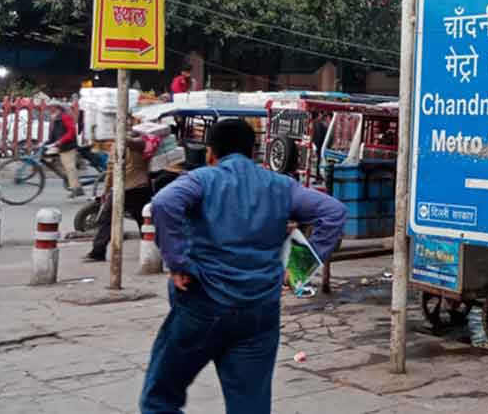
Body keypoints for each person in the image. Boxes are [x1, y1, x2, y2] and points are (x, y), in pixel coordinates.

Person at [140, 118, 347, 413]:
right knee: (249, 407)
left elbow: (163, 204)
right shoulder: (281, 186)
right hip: (258, 313)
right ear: (255, 152)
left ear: (211, 153)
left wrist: (178, 261)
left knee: (160, 399)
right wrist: (299, 270)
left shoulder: (201, 179)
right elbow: (334, 212)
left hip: (202, 304)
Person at [83, 132, 152, 263]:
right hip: (139, 186)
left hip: (125, 187)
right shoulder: (145, 143)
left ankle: (98, 251)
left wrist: (107, 190)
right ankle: (150, 250)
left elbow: (110, 171)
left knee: (107, 219)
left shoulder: (125, 144)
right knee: (143, 220)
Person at [46, 102, 82, 198]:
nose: (49, 110)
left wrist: (60, 141)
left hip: (68, 146)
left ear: (57, 109)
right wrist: (46, 143)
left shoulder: (65, 117)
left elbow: (71, 131)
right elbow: (53, 136)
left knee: (70, 167)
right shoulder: (56, 119)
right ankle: (69, 180)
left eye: (51, 108)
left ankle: (77, 188)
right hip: (61, 146)